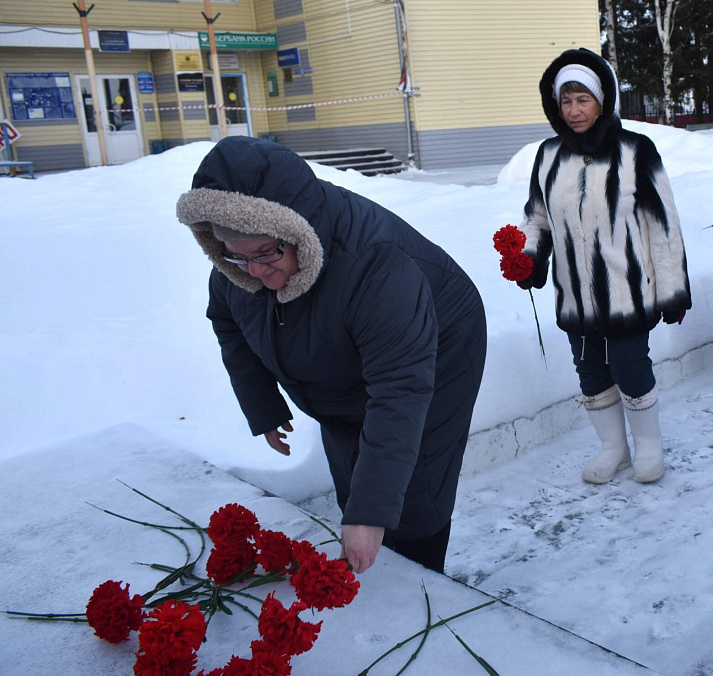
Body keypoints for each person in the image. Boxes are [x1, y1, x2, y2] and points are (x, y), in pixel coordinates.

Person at [177, 137, 487, 575]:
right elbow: (228, 321)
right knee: (347, 442)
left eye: (267, 253)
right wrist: (262, 403)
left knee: (416, 480)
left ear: (296, 230)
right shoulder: (242, 262)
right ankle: (372, 554)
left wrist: (370, 513)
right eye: (239, 257)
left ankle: (421, 582)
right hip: (346, 358)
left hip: (440, 342)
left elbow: (399, 390)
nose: (257, 271)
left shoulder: (375, 266)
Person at [517, 48, 691, 485]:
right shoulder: (548, 155)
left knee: (631, 367)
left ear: (602, 100)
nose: (574, 111)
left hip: (627, 290)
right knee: (591, 373)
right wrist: (529, 259)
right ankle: (613, 448)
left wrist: (672, 289)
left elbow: (663, 227)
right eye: (566, 102)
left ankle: (648, 447)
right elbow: (537, 218)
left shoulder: (636, 150)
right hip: (574, 294)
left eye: (583, 100)